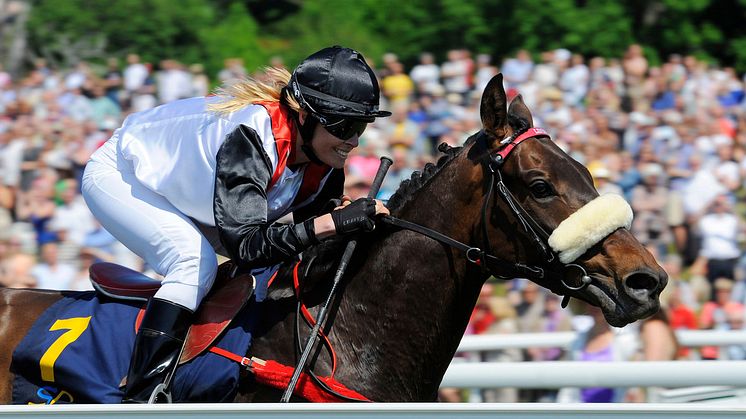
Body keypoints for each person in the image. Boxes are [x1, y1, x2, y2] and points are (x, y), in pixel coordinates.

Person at [81, 46, 392, 403]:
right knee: (193, 263)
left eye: (361, 126)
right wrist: (328, 224)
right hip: (121, 174)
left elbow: (309, 235)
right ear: (305, 115)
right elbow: (248, 246)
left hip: (199, 200)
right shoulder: (252, 136)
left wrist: (346, 221)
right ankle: (141, 398)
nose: (353, 141)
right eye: (345, 126)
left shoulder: (324, 157)